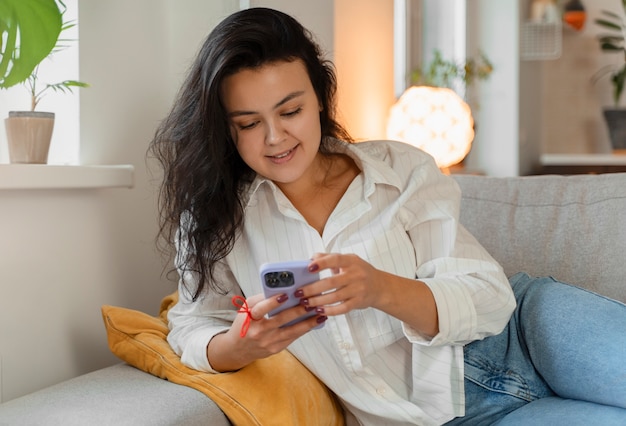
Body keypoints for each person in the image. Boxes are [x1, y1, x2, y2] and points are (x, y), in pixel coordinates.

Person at [148, 7, 626, 425]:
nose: (275, 137)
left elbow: (490, 297)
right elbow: (191, 324)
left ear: (319, 97)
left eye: (290, 110)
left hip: (530, 330)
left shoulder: (400, 170)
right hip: (456, 418)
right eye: (249, 123)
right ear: (225, 131)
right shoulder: (216, 219)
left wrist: (380, 289)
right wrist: (239, 347)